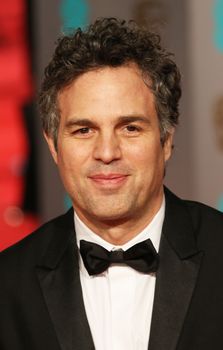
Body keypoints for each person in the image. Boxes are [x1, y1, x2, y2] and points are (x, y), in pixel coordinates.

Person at [0, 17, 223, 350]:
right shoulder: (7, 284)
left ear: (165, 141)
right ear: (53, 146)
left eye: (130, 128)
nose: (106, 152)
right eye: (83, 130)